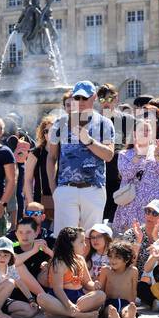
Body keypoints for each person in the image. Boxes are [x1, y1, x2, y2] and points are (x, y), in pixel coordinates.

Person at [47, 81, 115, 234]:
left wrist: (88, 140)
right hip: (66, 188)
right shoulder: (59, 123)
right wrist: (54, 189)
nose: (81, 102)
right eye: (77, 98)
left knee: (92, 239)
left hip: (93, 188)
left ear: (94, 97)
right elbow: (51, 157)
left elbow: (109, 156)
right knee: (64, 239)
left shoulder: (105, 123)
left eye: (85, 98)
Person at [112, 115, 159, 233]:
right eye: (141, 130)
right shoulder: (125, 153)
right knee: (133, 237)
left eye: (148, 130)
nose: (145, 132)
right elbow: (126, 174)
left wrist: (156, 155)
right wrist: (138, 155)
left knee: (158, 235)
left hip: (157, 203)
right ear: (134, 133)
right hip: (132, 205)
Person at [37, 227, 105, 318]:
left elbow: (87, 282)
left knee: (101, 295)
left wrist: (94, 285)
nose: (85, 245)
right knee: (41, 297)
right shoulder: (59, 262)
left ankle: (61, 315)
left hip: (78, 298)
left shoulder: (80, 259)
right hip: (60, 299)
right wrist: (68, 304)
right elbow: (58, 289)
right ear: (70, 243)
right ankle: (80, 315)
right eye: (81, 242)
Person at [101, 241, 140, 318]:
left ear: (126, 259)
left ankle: (129, 317)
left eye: (117, 257)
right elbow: (101, 290)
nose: (112, 260)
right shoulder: (106, 270)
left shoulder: (132, 271)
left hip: (125, 302)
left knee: (126, 311)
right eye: (110, 257)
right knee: (109, 310)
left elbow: (134, 291)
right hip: (110, 302)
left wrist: (132, 304)